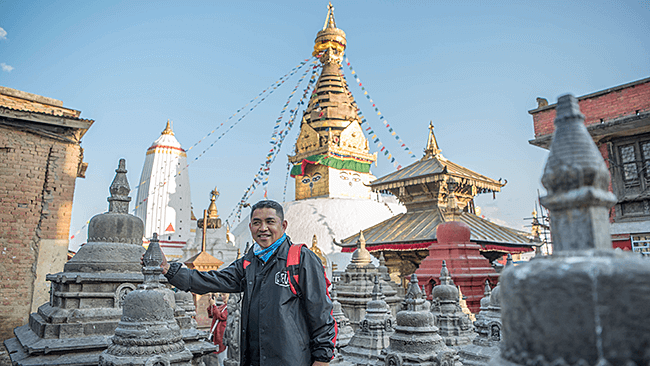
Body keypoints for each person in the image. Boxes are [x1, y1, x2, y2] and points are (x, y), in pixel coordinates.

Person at [159, 200, 336, 366]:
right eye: (257, 222)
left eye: (270, 222)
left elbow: (320, 311)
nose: (263, 228)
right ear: (250, 227)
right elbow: (214, 280)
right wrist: (170, 270)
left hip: (291, 358)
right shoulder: (249, 263)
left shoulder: (300, 259)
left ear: (283, 226)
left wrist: (322, 357)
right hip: (254, 358)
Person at [208, 293, 229, 365]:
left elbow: (221, 316)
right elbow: (211, 314)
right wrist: (211, 304)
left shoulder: (230, 307)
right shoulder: (222, 306)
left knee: (223, 357)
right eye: (222, 295)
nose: (222, 297)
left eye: (224, 295)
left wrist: (214, 305)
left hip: (223, 334)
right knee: (219, 358)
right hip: (217, 334)